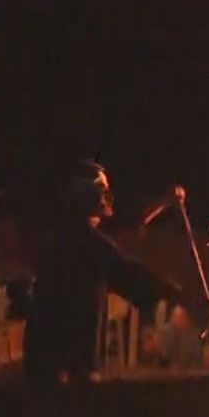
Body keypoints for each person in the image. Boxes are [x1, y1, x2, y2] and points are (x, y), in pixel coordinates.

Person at [23, 159, 182, 383]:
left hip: (52, 366)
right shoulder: (83, 241)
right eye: (101, 188)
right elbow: (127, 272)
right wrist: (181, 295)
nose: (107, 196)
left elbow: (128, 228)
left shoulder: (66, 235)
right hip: (65, 371)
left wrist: (163, 203)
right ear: (84, 193)